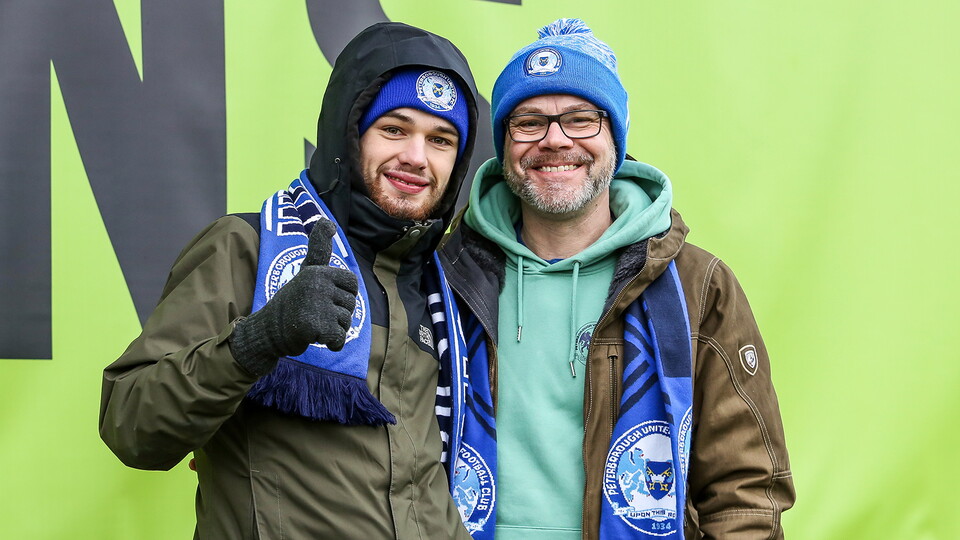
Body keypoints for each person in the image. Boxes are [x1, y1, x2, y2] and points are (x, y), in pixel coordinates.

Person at [99, 22, 481, 539]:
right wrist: (258, 340)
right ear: (348, 134)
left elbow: (420, 483)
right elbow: (132, 426)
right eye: (394, 129)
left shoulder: (439, 281)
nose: (416, 157)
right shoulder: (245, 247)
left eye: (441, 139)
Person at [438, 18, 796, 539]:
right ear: (504, 141)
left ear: (615, 135)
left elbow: (745, 493)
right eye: (528, 121)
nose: (554, 140)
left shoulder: (697, 286)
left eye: (581, 119)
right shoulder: (447, 273)